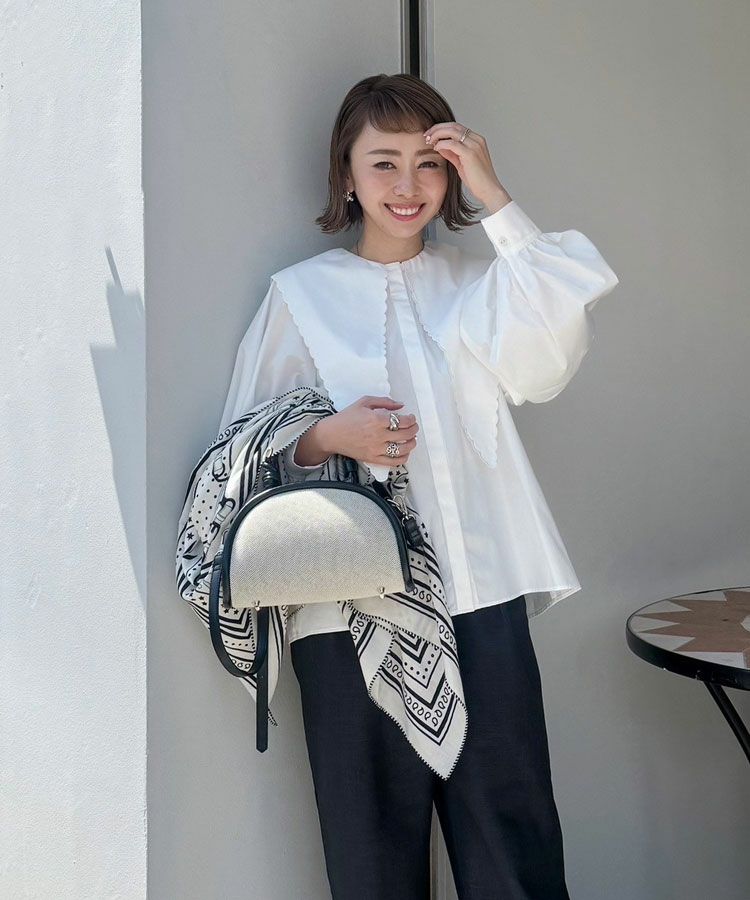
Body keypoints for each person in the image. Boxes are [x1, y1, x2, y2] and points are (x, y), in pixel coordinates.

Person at [218, 73, 619, 900]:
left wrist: (496, 195)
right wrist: (328, 436)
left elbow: (549, 360)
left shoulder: (482, 286)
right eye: (383, 163)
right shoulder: (300, 295)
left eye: (429, 164)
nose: (407, 186)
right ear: (346, 175)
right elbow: (237, 457)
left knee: (514, 851)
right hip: (346, 614)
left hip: (482, 599)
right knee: (370, 860)